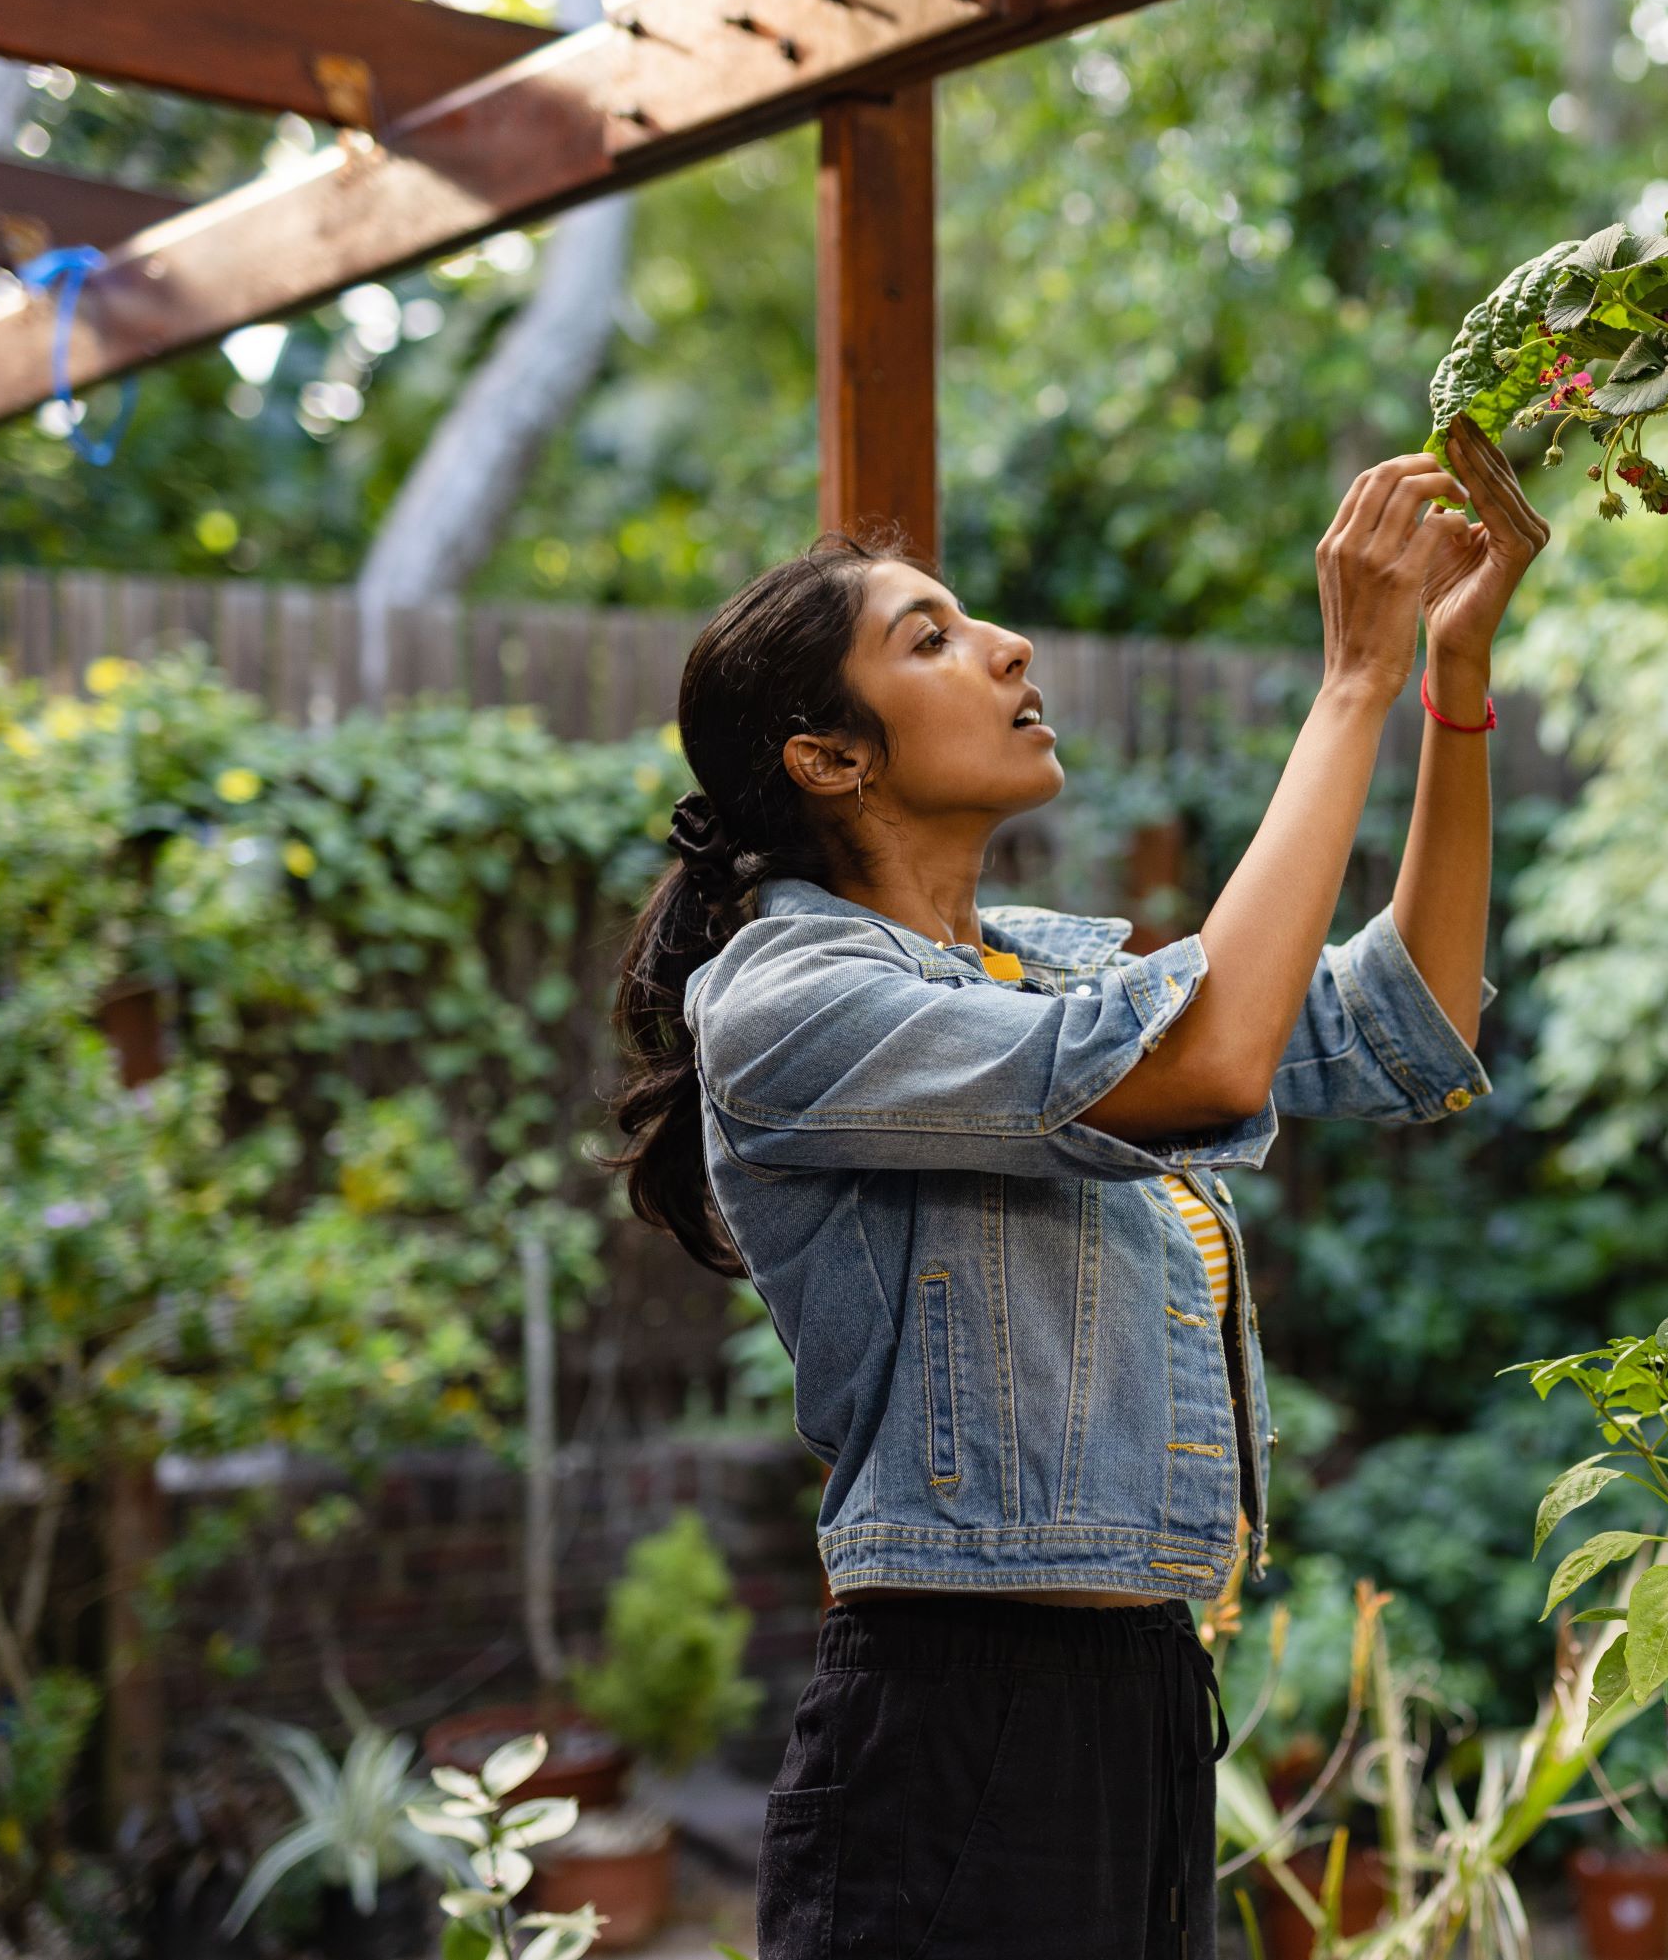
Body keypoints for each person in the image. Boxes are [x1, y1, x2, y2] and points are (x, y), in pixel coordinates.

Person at [607, 415, 1549, 1959]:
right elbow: (1218, 1065)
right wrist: (1348, 684)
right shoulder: (785, 999)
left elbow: (1410, 1020)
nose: (1007, 641)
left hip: (1146, 1703)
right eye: (933, 636)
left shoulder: (1043, 971)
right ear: (829, 755)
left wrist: (1448, 688)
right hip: (962, 1733)